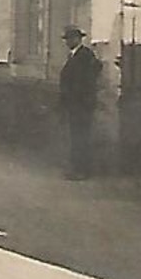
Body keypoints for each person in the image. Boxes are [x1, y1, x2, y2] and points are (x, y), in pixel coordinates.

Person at [58, 25, 102, 179]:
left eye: (71, 38)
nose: (68, 42)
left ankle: (82, 170)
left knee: (81, 137)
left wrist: (82, 96)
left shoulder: (85, 55)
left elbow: (90, 76)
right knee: (77, 136)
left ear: (78, 39)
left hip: (82, 104)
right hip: (75, 104)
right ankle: (77, 168)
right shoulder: (74, 55)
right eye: (67, 39)